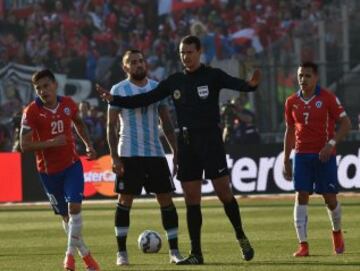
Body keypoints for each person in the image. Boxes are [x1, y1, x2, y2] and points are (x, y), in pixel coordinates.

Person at [97, 35, 261, 265]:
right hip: (187, 143)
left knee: (224, 193)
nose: (186, 56)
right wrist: (115, 99)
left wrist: (251, 85)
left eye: (190, 52)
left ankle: (241, 236)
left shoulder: (212, 75)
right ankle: (196, 253)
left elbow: (238, 84)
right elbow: (145, 99)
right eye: (183, 53)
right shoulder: (174, 81)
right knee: (191, 199)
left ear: (199, 52)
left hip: (211, 141)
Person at [107, 49, 183, 265]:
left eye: (140, 61)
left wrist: (175, 151)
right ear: (125, 67)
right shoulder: (118, 90)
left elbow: (166, 123)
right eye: (132, 62)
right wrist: (114, 156)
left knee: (166, 199)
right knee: (125, 200)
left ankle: (174, 251)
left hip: (155, 153)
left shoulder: (156, 87)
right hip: (129, 153)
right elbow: (111, 126)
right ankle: (121, 253)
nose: (138, 64)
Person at [20, 69, 100, 271]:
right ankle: (87, 258)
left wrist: (88, 145)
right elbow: (24, 145)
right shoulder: (31, 112)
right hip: (48, 172)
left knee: (75, 208)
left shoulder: (68, 104)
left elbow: (79, 123)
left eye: (46, 86)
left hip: (72, 165)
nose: (42, 91)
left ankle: (69, 257)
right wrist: (51, 143)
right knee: (66, 217)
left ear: (55, 85)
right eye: (38, 88)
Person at [283, 62, 351, 257]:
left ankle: (337, 232)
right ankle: (303, 245)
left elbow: (346, 124)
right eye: (300, 75)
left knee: (330, 200)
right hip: (301, 155)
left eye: (307, 76)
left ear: (316, 77)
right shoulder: (291, 101)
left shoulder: (327, 98)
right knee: (301, 195)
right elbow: (289, 130)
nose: (303, 79)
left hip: (324, 156)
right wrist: (286, 158)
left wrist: (331, 144)